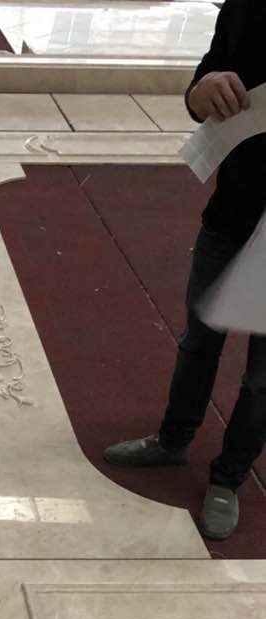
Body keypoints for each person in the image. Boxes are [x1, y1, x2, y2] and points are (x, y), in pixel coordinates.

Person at [104, 0, 266, 540]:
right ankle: (172, 441)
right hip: (232, 212)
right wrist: (203, 91)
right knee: (198, 342)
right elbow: (206, 79)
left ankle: (228, 478)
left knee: (262, 380)